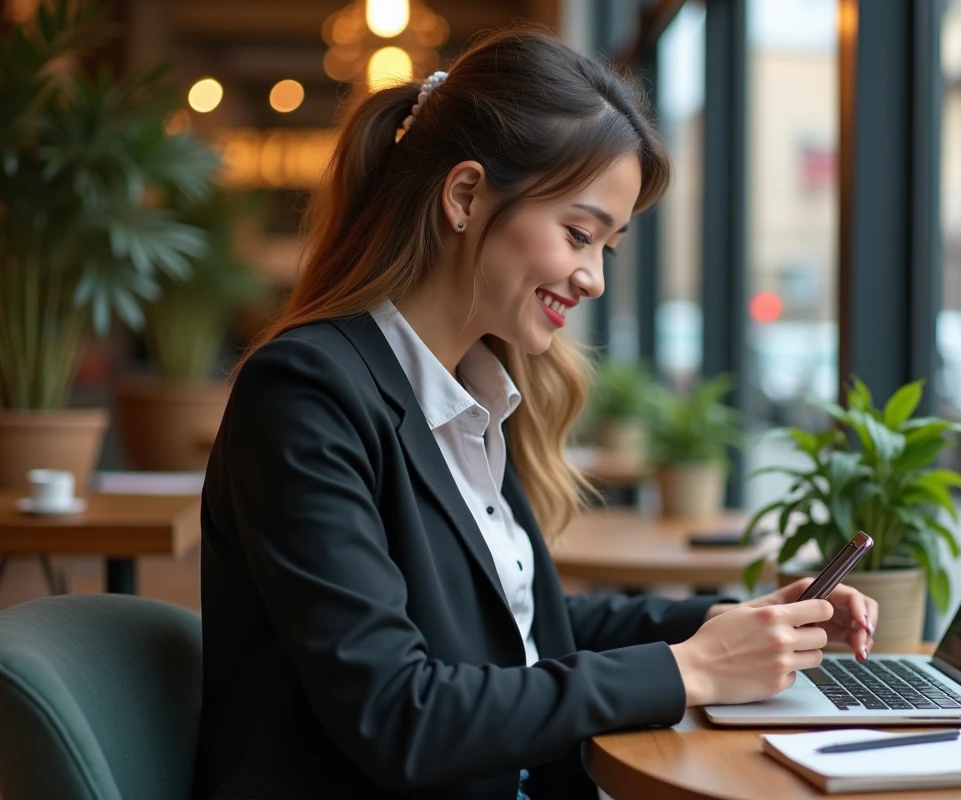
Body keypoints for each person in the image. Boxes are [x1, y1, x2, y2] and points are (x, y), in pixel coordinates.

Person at [194, 28, 879, 800]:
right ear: (464, 196)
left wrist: (732, 625)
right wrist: (690, 670)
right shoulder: (307, 394)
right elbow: (399, 714)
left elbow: (522, 633)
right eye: (579, 235)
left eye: (606, 249)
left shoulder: (471, 398)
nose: (593, 279)